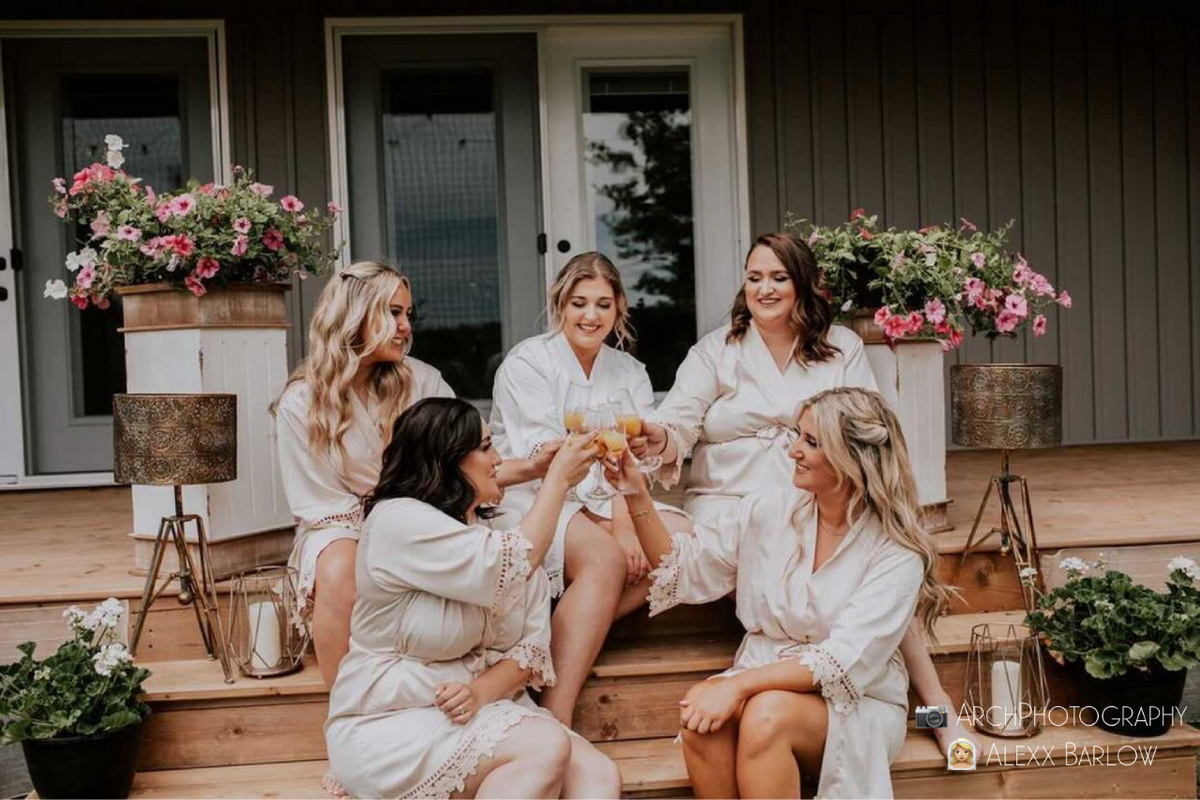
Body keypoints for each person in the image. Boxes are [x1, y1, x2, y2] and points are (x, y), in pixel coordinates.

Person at [635, 231, 967, 751]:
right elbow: (677, 422)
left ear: (803, 285)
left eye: (778, 278)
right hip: (734, 500)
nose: (764, 289)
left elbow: (864, 425)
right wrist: (659, 437)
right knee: (841, 576)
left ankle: (933, 705)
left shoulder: (842, 347)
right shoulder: (716, 350)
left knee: (871, 565)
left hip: (822, 490)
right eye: (754, 278)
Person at [610, 388, 951, 798]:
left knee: (766, 715)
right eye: (797, 435)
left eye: (810, 441)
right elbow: (685, 568)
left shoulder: (895, 552)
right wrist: (636, 494)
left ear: (852, 459)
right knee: (701, 722)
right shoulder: (768, 508)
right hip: (764, 676)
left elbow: (840, 663)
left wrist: (736, 686)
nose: (792, 451)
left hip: (857, 701)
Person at [325, 398, 622, 800]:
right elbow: (510, 563)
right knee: (545, 746)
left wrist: (481, 691)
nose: (498, 458)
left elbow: (530, 645)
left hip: (486, 707)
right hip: (392, 720)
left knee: (598, 776)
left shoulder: (503, 528)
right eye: (485, 447)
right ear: (447, 459)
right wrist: (556, 481)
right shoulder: (397, 522)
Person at [275, 261, 554, 688]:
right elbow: (321, 504)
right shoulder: (302, 403)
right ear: (354, 315)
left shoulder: (423, 381)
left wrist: (534, 468)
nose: (405, 326)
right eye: (393, 313)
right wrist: (386, 530)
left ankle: (483, 671)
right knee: (339, 570)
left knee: (511, 534)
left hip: (430, 512)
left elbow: (467, 462)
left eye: (408, 315)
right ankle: (348, 704)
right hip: (341, 524)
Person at [489, 252, 691, 723]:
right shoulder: (528, 362)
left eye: (603, 304)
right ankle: (554, 715)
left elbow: (631, 452)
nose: (590, 316)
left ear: (619, 308)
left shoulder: (629, 372)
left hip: (610, 493)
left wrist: (624, 521)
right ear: (560, 303)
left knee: (683, 541)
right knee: (606, 560)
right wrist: (616, 531)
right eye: (579, 303)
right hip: (541, 494)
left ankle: (579, 625)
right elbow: (549, 457)